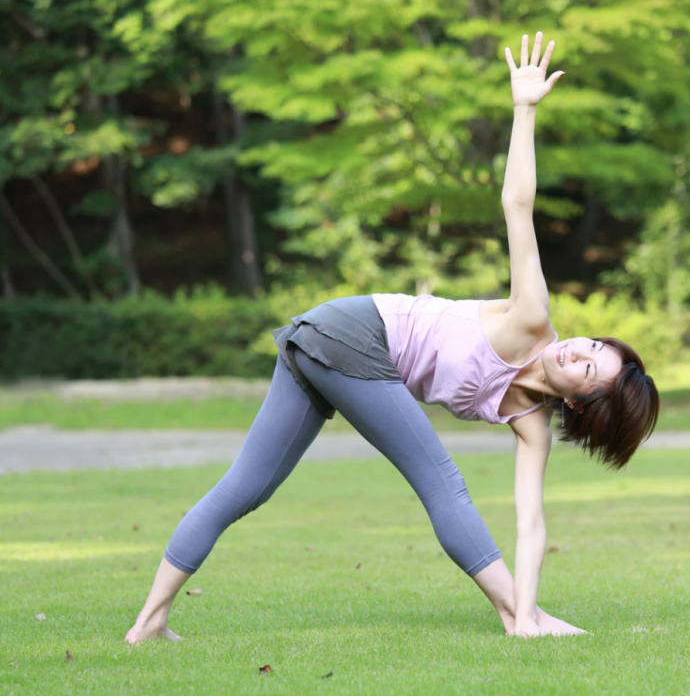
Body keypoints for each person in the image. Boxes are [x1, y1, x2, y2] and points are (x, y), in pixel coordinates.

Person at [125, 32, 659, 644]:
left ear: (579, 404)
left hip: (327, 344)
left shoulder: (531, 423)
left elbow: (531, 522)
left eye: (588, 368)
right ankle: (519, 619)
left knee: (248, 487)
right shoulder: (534, 319)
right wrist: (524, 110)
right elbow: (518, 204)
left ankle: (148, 624)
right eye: (593, 344)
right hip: (352, 334)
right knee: (442, 481)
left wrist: (532, 605)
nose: (577, 349)